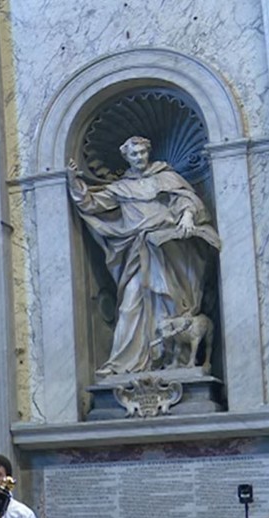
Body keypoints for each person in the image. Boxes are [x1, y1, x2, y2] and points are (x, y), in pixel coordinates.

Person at [68, 136, 221, 377]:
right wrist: (74, 182)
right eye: (134, 154)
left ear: (148, 153)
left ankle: (174, 362)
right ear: (126, 157)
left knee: (170, 304)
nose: (139, 157)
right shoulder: (120, 188)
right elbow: (91, 204)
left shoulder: (167, 177)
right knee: (131, 303)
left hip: (168, 251)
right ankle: (124, 363)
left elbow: (186, 199)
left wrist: (188, 216)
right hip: (137, 252)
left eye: (142, 153)